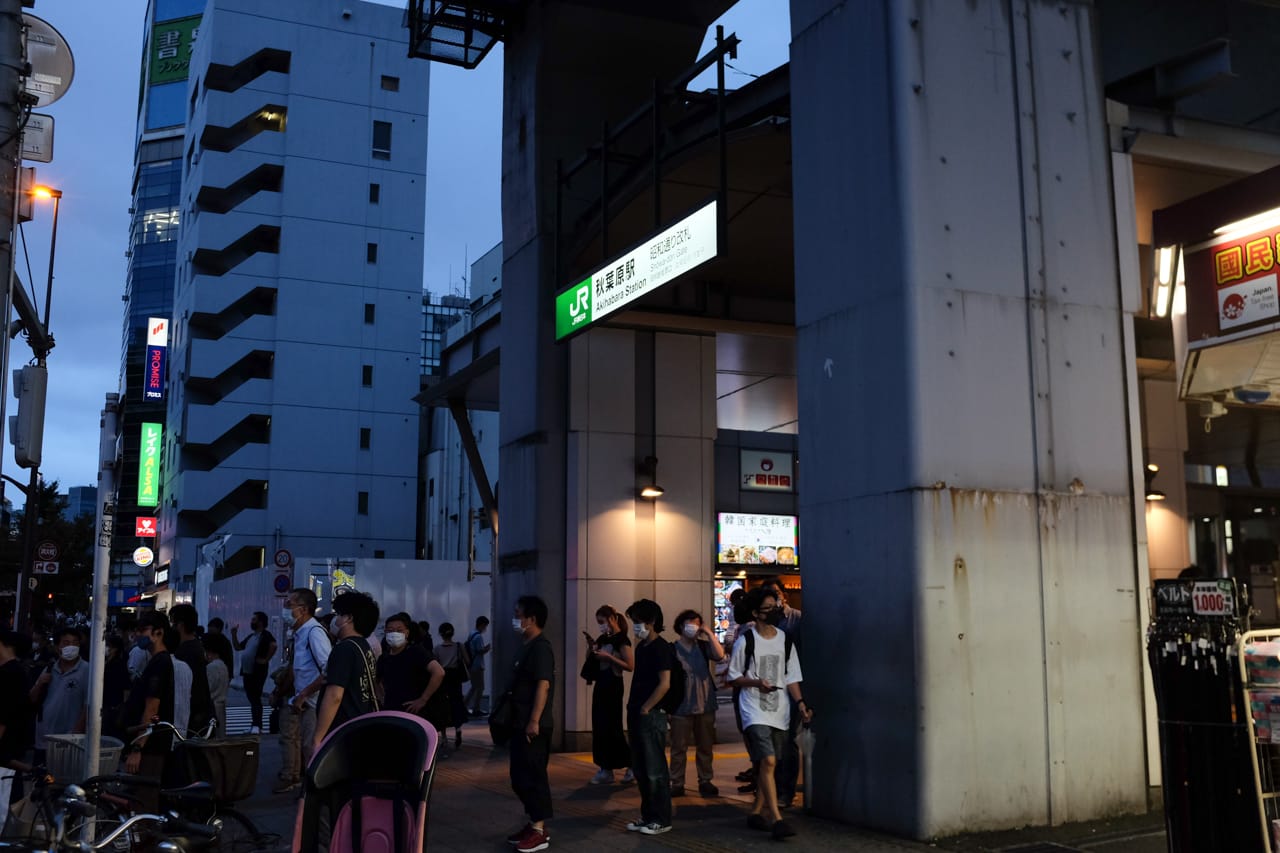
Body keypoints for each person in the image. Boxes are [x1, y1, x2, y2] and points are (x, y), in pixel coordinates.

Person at [727, 586, 813, 841]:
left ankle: (755, 812)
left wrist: (800, 703)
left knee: (770, 764)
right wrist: (756, 683)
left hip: (780, 710)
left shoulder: (785, 640)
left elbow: (792, 677)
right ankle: (776, 818)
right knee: (769, 760)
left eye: (775, 606)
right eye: (768, 608)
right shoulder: (746, 641)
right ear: (756, 613)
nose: (774, 611)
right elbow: (733, 677)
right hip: (753, 708)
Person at [504, 596, 554, 853]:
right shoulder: (526, 645)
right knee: (519, 776)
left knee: (532, 776)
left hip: (532, 725)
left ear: (531, 619)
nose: (515, 619)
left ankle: (539, 829)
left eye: (518, 614)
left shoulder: (541, 648)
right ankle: (533, 822)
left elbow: (543, 685)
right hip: (519, 722)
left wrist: (534, 720)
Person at [622, 598, 673, 836]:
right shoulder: (642, 647)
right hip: (638, 713)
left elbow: (665, 683)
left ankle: (661, 819)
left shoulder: (661, 648)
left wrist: (646, 707)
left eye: (637, 621)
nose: (635, 626)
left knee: (655, 770)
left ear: (651, 621)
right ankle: (648, 815)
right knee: (642, 770)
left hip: (651, 715)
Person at [276, 588, 331, 793]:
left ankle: (315, 792)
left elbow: (328, 671)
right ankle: (303, 785)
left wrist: (305, 693)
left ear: (303, 609)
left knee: (311, 747)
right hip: (303, 700)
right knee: (298, 742)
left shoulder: (314, 633)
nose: (285, 609)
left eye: (289, 605)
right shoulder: (299, 633)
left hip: (314, 703)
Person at [123, 613, 180, 809]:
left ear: (159, 633)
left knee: (144, 801)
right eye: (137, 630)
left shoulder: (160, 663)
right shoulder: (156, 661)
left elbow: (152, 707)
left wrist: (138, 748)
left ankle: (147, 829)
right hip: (152, 743)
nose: (138, 635)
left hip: (152, 746)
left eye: (143, 630)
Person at [313, 591, 380, 752]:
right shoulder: (364, 646)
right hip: (359, 724)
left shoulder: (344, 649)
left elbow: (334, 696)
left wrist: (318, 738)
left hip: (342, 731)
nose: (334, 619)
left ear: (348, 618)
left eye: (338, 614)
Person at [669, 609, 725, 798]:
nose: (694, 627)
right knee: (678, 747)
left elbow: (719, 655)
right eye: (690, 623)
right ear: (681, 626)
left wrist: (708, 633)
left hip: (705, 703)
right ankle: (677, 782)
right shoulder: (672, 649)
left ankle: (705, 780)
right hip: (681, 705)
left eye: (697, 623)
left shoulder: (703, 646)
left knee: (705, 746)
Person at [376, 612, 450, 739]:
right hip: (392, 712)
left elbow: (439, 672)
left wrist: (423, 699)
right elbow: (376, 681)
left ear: (407, 632)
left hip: (414, 713)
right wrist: (382, 698)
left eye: (399, 630)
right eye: (390, 630)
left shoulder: (416, 652)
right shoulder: (384, 658)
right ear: (385, 632)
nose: (394, 633)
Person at [587, 605, 633, 785]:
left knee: (612, 727)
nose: (600, 625)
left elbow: (630, 665)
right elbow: (593, 659)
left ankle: (630, 764)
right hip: (601, 685)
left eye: (602, 621)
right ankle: (605, 768)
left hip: (613, 685)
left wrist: (609, 658)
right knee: (600, 727)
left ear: (612, 619)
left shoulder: (622, 640)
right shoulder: (603, 638)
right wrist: (592, 649)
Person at [28, 627, 88, 765]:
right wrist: (40, 683)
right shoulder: (49, 668)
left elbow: (89, 705)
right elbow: (32, 698)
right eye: (66, 643)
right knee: (41, 775)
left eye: (75, 642)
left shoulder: (87, 670)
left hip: (69, 739)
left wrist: (77, 731)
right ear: (57, 647)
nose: (71, 646)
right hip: (44, 738)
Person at [0, 629, 35, 836]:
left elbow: (4, 715)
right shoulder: (17, 671)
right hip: (11, 755)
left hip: (7, 755)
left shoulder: (9, 674)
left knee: (6, 807)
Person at [168, 604, 213, 734]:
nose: (171, 628)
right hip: (197, 714)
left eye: (173, 624)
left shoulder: (185, 652)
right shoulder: (196, 646)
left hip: (190, 717)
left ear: (180, 625)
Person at [232, 611, 277, 734]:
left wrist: (266, 659)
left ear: (260, 622)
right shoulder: (252, 636)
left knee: (255, 697)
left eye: (254, 620)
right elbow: (238, 647)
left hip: (257, 671)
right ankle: (255, 724)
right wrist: (234, 634)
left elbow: (274, 645)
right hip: (247, 671)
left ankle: (257, 725)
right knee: (252, 698)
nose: (251, 622)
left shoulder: (265, 635)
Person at [433, 623, 469, 749]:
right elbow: (467, 661)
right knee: (457, 703)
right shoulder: (459, 646)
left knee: (442, 706)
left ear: (440, 634)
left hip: (443, 678)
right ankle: (458, 729)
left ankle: (444, 738)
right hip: (455, 678)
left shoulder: (437, 648)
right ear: (452, 633)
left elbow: (435, 665)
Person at [102, 634, 133, 741]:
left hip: (113, 707)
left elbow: (126, 689)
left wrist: (122, 708)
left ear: (115, 649)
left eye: (108, 645)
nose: (105, 647)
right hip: (106, 704)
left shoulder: (118, 665)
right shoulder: (106, 662)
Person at [463, 616, 491, 716]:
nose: (485, 628)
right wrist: (488, 648)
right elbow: (480, 650)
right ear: (482, 625)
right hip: (478, 666)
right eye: (485, 626)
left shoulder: (472, 634)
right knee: (480, 688)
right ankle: (476, 708)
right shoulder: (478, 636)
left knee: (474, 687)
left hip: (472, 665)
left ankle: (464, 706)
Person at [204, 639, 230, 739]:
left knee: (213, 735)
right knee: (220, 734)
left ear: (210, 653)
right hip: (221, 704)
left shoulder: (211, 667)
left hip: (213, 705)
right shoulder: (223, 665)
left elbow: (208, 687)